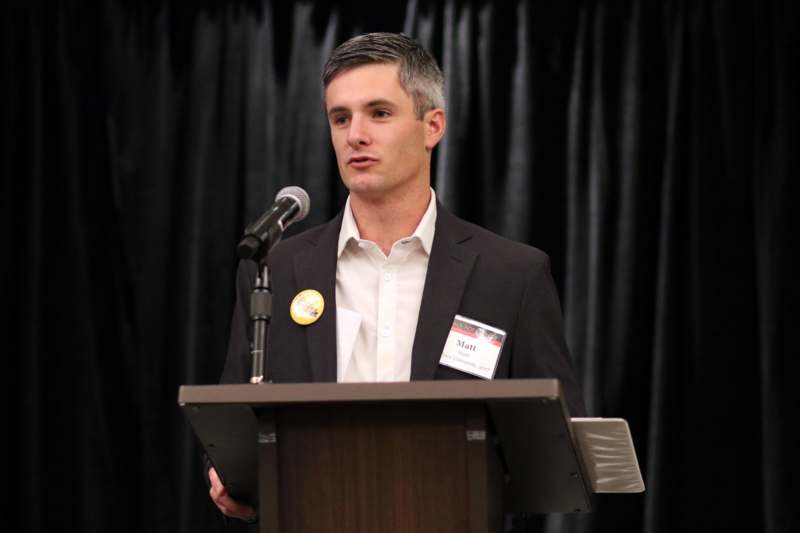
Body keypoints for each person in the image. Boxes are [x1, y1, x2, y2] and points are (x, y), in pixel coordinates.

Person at [208, 32, 586, 524]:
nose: (355, 135)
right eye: (340, 118)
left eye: (379, 113)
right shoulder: (275, 269)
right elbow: (228, 423)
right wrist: (225, 470)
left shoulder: (511, 274)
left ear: (433, 126)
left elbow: (559, 442)